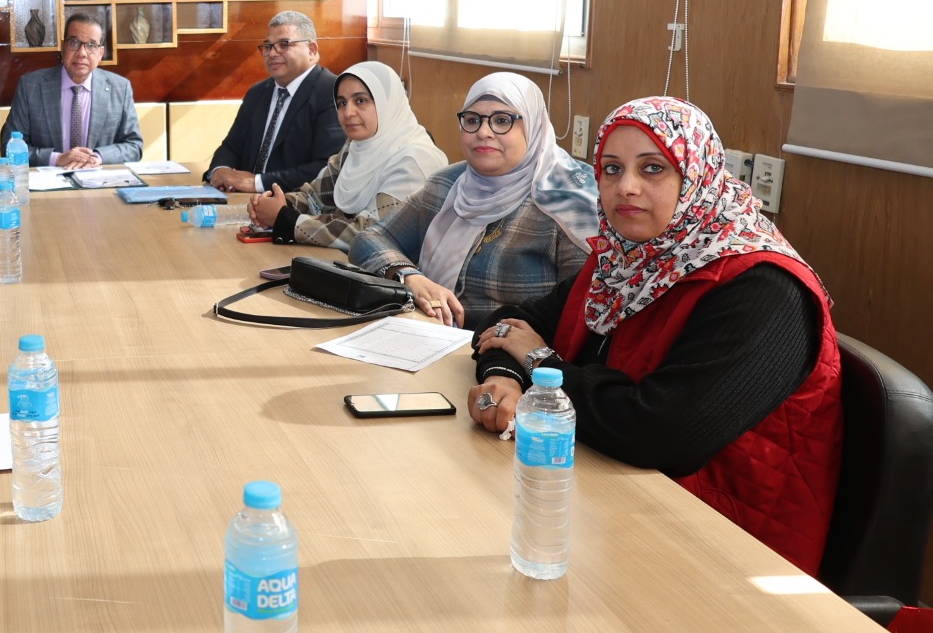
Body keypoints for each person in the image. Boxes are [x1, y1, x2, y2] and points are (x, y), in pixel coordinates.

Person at [468, 96, 842, 574]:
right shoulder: (626, 261)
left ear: (697, 177)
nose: (626, 187)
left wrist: (541, 364)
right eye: (611, 169)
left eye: (652, 169)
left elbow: (662, 434)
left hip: (718, 552)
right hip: (608, 508)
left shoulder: (765, 289)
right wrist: (504, 377)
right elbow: (511, 323)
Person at [349, 72, 598, 329]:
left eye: (502, 120)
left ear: (534, 127)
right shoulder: (448, 185)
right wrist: (410, 277)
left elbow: (576, 314)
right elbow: (369, 239)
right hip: (425, 333)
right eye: (472, 120)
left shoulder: (567, 203)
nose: (483, 132)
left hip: (508, 346)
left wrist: (474, 323)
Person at [245, 61, 447, 250]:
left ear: (387, 103)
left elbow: (371, 232)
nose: (348, 112)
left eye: (360, 101)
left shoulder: (415, 160)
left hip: (401, 272)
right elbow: (314, 198)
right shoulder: (355, 147)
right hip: (351, 265)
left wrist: (286, 219)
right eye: (342, 103)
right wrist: (275, 204)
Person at [204, 10, 343, 194]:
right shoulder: (257, 93)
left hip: (294, 203)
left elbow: (327, 169)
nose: (272, 53)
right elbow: (231, 146)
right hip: (243, 200)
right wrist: (220, 170)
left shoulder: (332, 92)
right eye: (268, 46)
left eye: (283, 45)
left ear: (311, 50)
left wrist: (256, 183)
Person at [1, 12, 143, 167]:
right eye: (74, 43)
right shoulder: (30, 86)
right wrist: (57, 158)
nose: (82, 53)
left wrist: (98, 157)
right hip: (49, 180)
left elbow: (134, 146)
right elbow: (9, 147)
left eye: (91, 45)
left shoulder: (120, 88)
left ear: (101, 53)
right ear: (63, 48)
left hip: (97, 177)